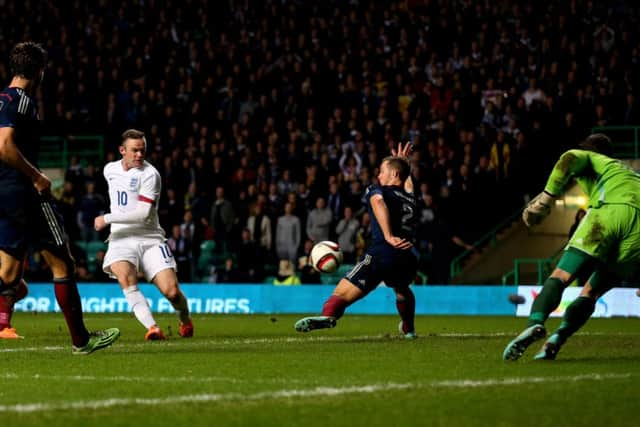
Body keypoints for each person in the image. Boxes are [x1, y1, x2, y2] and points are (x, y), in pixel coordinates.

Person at [0, 41, 120, 353]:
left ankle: (81, 339)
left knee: (9, 274)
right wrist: (37, 176)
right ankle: (81, 340)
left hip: (4, 192)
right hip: (25, 194)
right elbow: (5, 145)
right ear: (38, 71)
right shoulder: (21, 100)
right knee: (63, 263)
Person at [503, 134, 640, 361]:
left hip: (610, 213)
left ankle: (535, 322)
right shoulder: (630, 174)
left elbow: (568, 158)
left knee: (561, 275)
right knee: (591, 293)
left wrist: (546, 198)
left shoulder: (593, 159)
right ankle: (557, 339)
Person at [295, 142, 419, 338]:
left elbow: (378, 202)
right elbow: (407, 181)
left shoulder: (377, 191)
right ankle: (409, 329)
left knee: (341, 294)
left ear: (393, 175)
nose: (378, 176)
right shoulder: (411, 197)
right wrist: (404, 163)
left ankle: (328, 315)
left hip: (383, 252)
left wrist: (388, 236)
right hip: (409, 255)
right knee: (402, 290)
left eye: (382, 172)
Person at [94, 129, 193, 340]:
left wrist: (107, 218)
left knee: (172, 292)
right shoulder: (109, 170)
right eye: (135, 150)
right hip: (121, 238)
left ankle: (184, 319)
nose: (139, 155)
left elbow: (143, 213)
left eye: (143, 150)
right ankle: (153, 328)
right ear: (122, 151)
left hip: (150, 238)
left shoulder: (150, 175)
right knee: (126, 279)